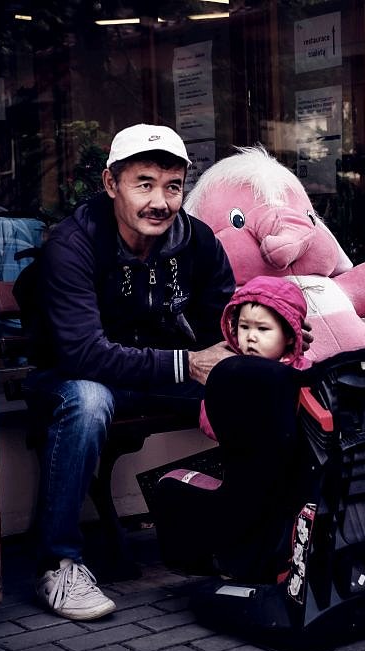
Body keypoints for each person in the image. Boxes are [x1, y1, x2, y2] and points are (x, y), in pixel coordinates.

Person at [23, 124, 238, 620]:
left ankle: (257, 538)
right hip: (71, 379)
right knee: (88, 399)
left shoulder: (196, 240)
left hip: (160, 375)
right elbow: (83, 354)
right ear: (110, 183)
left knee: (256, 388)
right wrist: (189, 363)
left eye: (172, 186)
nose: (160, 202)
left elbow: (225, 316)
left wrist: (267, 332)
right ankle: (58, 564)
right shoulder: (73, 245)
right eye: (144, 184)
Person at [197, 275, 310, 439]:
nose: (251, 337)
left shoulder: (304, 373)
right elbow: (209, 422)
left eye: (262, 329)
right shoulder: (230, 371)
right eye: (244, 327)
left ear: (290, 335)